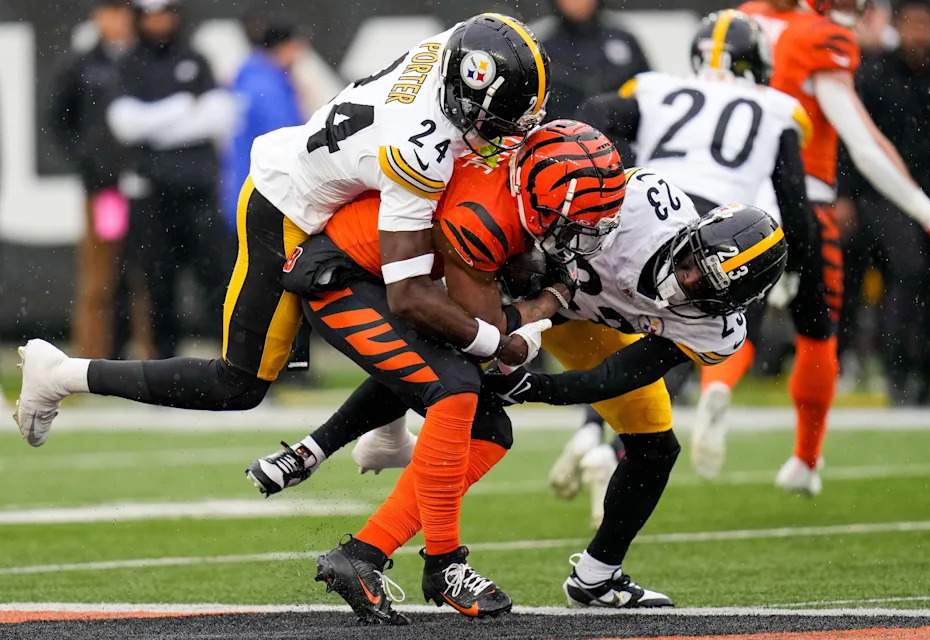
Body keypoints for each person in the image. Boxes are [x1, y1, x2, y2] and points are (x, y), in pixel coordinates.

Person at [15, 10, 552, 622]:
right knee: (240, 382)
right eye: (495, 121)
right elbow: (408, 296)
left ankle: (387, 430)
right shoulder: (420, 147)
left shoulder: (458, 46)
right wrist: (494, 342)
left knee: (434, 348)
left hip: (348, 199)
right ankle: (62, 374)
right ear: (462, 92)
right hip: (290, 212)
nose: (503, 134)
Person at [252, 170, 787, 611]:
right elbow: (548, 216)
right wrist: (517, 308)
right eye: (693, 265)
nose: (686, 283)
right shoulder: (642, 207)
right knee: (449, 377)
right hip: (521, 288)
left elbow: (618, 375)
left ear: (734, 305)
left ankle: (597, 578)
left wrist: (536, 387)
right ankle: (320, 452)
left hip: (589, 325)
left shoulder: (716, 329)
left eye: (705, 290)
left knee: (653, 446)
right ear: (693, 234)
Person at [250, 121, 625, 623]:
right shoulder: (485, 217)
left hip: (398, 284)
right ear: (535, 199)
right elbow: (492, 335)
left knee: (489, 430)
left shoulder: (516, 174)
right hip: (349, 280)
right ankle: (444, 562)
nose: (581, 234)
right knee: (456, 389)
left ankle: (361, 553)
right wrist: (546, 303)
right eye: (573, 219)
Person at [689, 0, 930, 496]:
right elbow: (863, 142)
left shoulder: (742, 20)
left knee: (728, 319)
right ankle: (805, 460)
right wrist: (928, 211)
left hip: (733, 202)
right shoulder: (820, 38)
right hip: (803, 198)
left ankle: (715, 387)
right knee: (818, 331)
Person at [553, 10, 815, 496]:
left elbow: (595, 113)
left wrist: (599, 173)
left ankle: (592, 431)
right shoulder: (774, 108)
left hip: (651, 210)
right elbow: (795, 202)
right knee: (673, 342)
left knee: (615, 319)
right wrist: (796, 266)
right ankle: (625, 443)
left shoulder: (658, 89)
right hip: (718, 230)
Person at [837, 0, 930, 405]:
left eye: (925, 25)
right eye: (910, 24)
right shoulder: (873, 75)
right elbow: (850, 141)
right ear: (897, 26)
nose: (917, 33)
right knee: (908, 272)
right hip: (883, 197)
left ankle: (928, 375)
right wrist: (845, 195)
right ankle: (898, 370)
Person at [105, 0, 235, 359]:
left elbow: (220, 117)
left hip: (199, 193)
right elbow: (124, 125)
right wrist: (182, 107)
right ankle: (165, 371)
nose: (159, 22)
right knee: (158, 286)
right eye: (151, 15)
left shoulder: (196, 58)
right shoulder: (129, 63)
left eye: (165, 14)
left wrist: (154, 125)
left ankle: (234, 367)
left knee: (217, 281)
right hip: (151, 195)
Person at [49, 0, 135, 360]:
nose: (117, 20)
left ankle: (152, 365)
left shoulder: (145, 60)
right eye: (110, 11)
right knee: (100, 278)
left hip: (148, 189)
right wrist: (91, 159)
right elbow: (58, 120)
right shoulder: (82, 64)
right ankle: (88, 361)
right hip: (108, 192)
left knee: (147, 279)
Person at [221, 15, 307, 230]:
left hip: (242, 193)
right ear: (284, 47)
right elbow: (290, 144)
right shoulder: (269, 90)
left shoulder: (249, 79)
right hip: (266, 198)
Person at [535, 0, 649, 120]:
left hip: (621, 132)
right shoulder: (544, 47)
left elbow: (650, 88)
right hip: (566, 135)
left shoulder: (623, 40)